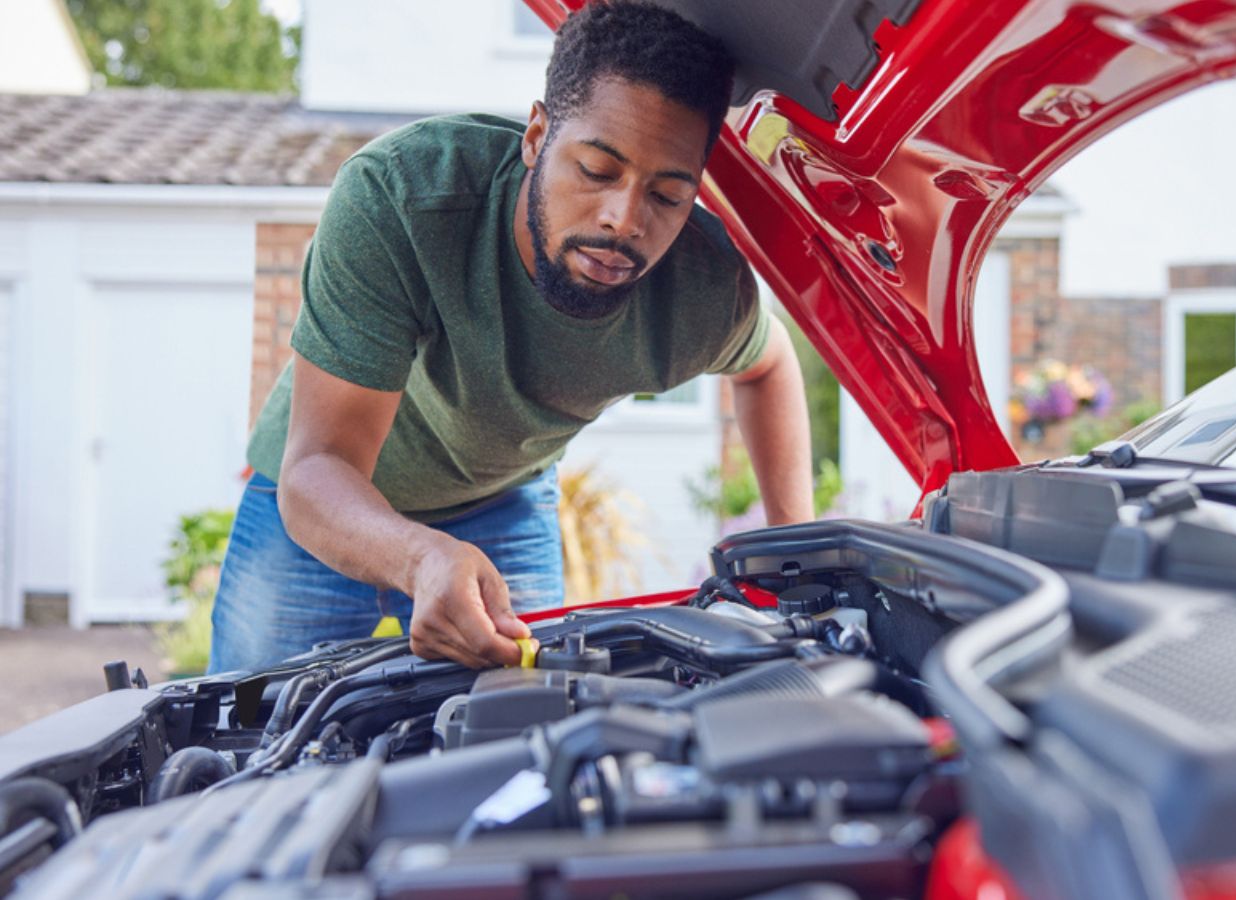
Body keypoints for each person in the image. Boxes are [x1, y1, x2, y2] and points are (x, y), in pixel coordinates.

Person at [208, 1, 813, 674]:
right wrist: (420, 554)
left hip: (503, 501)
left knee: (519, 730)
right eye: (597, 170)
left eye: (667, 195)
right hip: (328, 498)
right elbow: (319, 466)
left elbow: (768, 364)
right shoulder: (402, 201)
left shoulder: (700, 289)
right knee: (249, 731)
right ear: (536, 137)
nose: (623, 219)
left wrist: (791, 564)